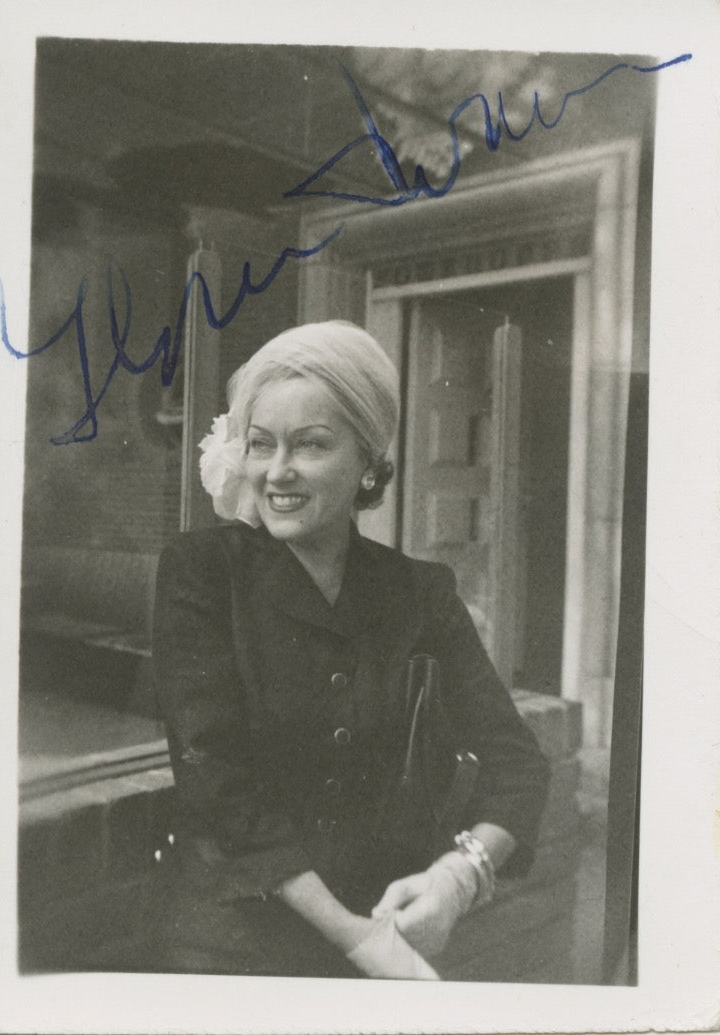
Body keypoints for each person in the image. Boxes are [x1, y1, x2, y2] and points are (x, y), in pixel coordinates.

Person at [152, 320, 550, 980]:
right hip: (233, 951)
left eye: (310, 444)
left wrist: (458, 878)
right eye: (261, 443)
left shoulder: (419, 591)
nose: (277, 471)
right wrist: (360, 941)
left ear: (368, 460)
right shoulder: (203, 573)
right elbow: (219, 784)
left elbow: (516, 763)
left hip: (388, 929)